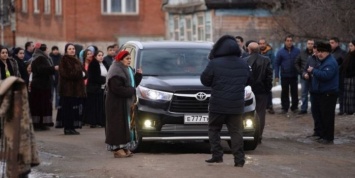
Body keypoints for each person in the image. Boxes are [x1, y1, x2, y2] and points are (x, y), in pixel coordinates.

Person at [200, 35, 252, 167]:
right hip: (236, 105)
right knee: (236, 132)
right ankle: (239, 160)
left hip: (218, 104)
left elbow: (205, 80)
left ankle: (217, 155)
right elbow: (248, 80)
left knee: (213, 129)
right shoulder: (243, 63)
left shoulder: (215, 63)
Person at [105, 50, 142, 158]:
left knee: (126, 126)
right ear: (121, 59)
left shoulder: (127, 69)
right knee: (117, 126)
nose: (129, 61)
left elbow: (132, 84)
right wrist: (131, 91)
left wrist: (139, 75)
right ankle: (117, 149)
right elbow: (117, 88)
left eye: (130, 59)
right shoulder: (115, 70)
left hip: (125, 102)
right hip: (116, 104)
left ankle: (125, 147)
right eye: (127, 59)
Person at [307, 42, 338, 144]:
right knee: (321, 115)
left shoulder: (330, 62)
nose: (319, 54)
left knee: (327, 117)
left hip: (328, 94)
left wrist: (313, 71)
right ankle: (323, 135)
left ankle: (328, 138)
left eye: (322, 52)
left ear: (328, 52)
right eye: (319, 51)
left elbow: (326, 76)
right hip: (321, 93)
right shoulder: (322, 61)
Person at [243, 42, 272, 144]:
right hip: (261, 90)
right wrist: (267, 89)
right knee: (260, 113)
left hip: (248, 90)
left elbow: (243, 77)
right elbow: (269, 77)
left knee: (248, 111)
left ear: (249, 49)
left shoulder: (244, 61)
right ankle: (258, 135)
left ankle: (249, 133)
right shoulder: (266, 60)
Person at [56, 43, 87, 135]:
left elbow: (85, 72)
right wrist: (80, 74)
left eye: (73, 49)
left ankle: (72, 127)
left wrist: (83, 74)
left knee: (74, 110)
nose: (72, 50)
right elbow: (67, 74)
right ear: (66, 50)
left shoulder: (77, 60)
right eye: (69, 49)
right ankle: (67, 128)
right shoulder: (64, 60)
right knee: (67, 110)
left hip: (76, 89)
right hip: (67, 90)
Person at [30, 43, 59, 130]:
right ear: (43, 50)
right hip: (40, 86)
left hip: (43, 85)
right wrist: (54, 68)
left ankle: (43, 123)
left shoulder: (39, 57)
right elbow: (41, 69)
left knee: (43, 105)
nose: (48, 51)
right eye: (47, 49)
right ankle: (38, 124)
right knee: (39, 105)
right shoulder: (40, 58)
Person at [275, 35, 300, 114]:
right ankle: (285, 107)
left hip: (294, 75)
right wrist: (276, 75)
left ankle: (294, 107)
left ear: (292, 42)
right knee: (284, 92)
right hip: (284, 75)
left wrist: (301, 72)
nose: (289, 42)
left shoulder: (297, 51)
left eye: (290, 41)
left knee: (294, 91)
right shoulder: (280, 52)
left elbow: (301, 62)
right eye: (287, 41)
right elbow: (276, 64)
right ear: (285, 42)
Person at [86, 50, 109, 128]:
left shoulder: (105, 64)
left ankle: (101, 121)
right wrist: (105, 79)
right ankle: (93, 122)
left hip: (104, 88)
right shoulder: (93, 64)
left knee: (102, 106)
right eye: (99, 55)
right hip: (94, 88)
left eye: (102, 55)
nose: (101, 56)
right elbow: (94, 77)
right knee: (94, 106)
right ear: (95, 56)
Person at [303, 42, 321, 138]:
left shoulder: (322, 60)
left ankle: (321, 131)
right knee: (314, 111)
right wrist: (305, 74)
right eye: (314, 49)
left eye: (317, 49)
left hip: (321, 89)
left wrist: (313, 71)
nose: (315, 51)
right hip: (312, 87)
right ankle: (316, 131)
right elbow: (305, 69)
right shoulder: (310, 58)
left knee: (320, 111)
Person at [295, 39, 314, 114]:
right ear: (306, 44)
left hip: (314, 76)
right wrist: (301, 72)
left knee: (313, 93)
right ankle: (303, 108)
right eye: (309, 43)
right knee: (304, 93)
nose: (310, 45)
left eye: (312, 43)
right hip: (304, 76)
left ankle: (314, 108)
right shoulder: (302, 53)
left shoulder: (316, 53)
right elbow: (296, 63)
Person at [329, 37, 347, 115]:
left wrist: (336, 69)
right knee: (331, 93)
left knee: (341, 92)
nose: (331, 44)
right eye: (330, 42)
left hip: (339, 76)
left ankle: (342, 109)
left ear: (337, 43)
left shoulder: (342, 53)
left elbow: (344, 64)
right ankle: (331, 108)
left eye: (332, 42)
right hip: (330, 76)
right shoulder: (329, 52)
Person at [259, 38, 275, 114]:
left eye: (263, 43)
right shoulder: (257, 52)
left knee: (268, 90)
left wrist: (268, 71)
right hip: (259, 75)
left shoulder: (270, 52)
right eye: (260, 43)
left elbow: (273, 63)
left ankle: (270, 105)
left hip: (267, 75)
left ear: (266, 44)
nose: (262, 45)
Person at [339, 40, 355, 115]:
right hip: (346, 77)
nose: (350, 47)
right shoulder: (348, 54)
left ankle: (351, 109)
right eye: (349, 46)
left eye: (351, 46)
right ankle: (348, 110)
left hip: (352, 78)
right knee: (347, 95)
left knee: (351, 95)